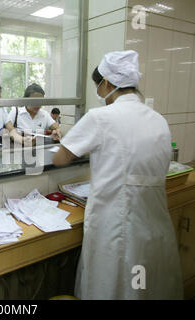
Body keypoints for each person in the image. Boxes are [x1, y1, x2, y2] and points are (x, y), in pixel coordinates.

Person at [53, 50, 183, 300]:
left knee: (114, 286)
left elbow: (60, 158)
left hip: (116, 222)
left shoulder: (100, 117)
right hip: (153, 220)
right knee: (149, 286)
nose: (99, 93)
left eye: (98, 86)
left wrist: (73, 142)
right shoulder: (158, 120)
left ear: (107, 82)